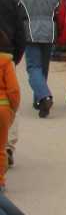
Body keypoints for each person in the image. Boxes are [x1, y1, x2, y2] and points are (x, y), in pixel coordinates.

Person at [11, 0, 62, 117]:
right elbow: (62, 7)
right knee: (44, 65)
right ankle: (39, 98)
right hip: (50, 27)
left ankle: (43, 96)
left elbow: (12, 4)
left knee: (33, 66)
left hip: (29, 26)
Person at [0, 32, 19, 190]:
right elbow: (13, 90)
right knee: (0, 147)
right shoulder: (6, 62)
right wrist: (13, 108)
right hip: (2, 108)